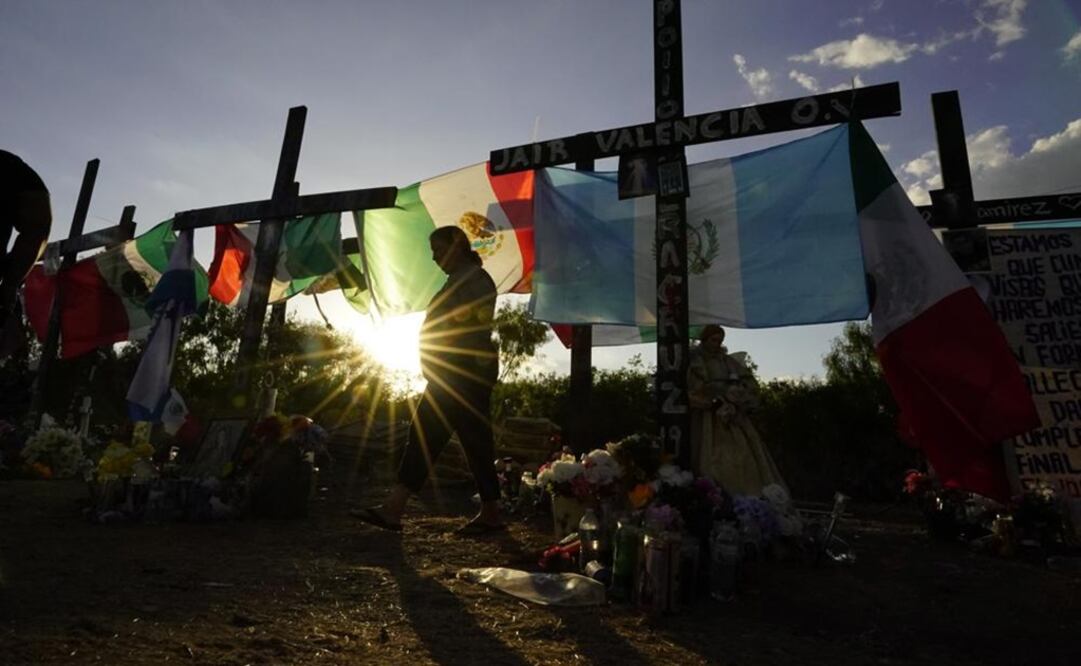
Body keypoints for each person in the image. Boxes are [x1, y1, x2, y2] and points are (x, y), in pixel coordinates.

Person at [352, 226, 504, 534]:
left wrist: (446, 361)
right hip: (453, 374)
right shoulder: (459, 281)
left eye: (438, 250)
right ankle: (487, 512)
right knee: (459, 440)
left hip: (461, 375)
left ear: (457, 246)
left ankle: (396, 507)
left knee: (436, 437)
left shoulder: (475, 279)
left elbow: (471, 325)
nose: (434, 258)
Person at [687, 325, 787, 496]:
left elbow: (748, 383)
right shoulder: (696, 362)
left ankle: (745, 496)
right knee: (709, 458)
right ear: (705, 340)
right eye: (713, 340)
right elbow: (692, 387)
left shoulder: (729, 362)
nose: (717, 344)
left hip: (733, 417)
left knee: (742, 458)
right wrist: (713, 397)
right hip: (707, 418)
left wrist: (737, 395)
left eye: (720, 341)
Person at [0, 150, 52, 349]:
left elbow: (37, 223)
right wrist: (10, 283)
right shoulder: (9, 166)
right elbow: (38, 223)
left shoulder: (8, 167)